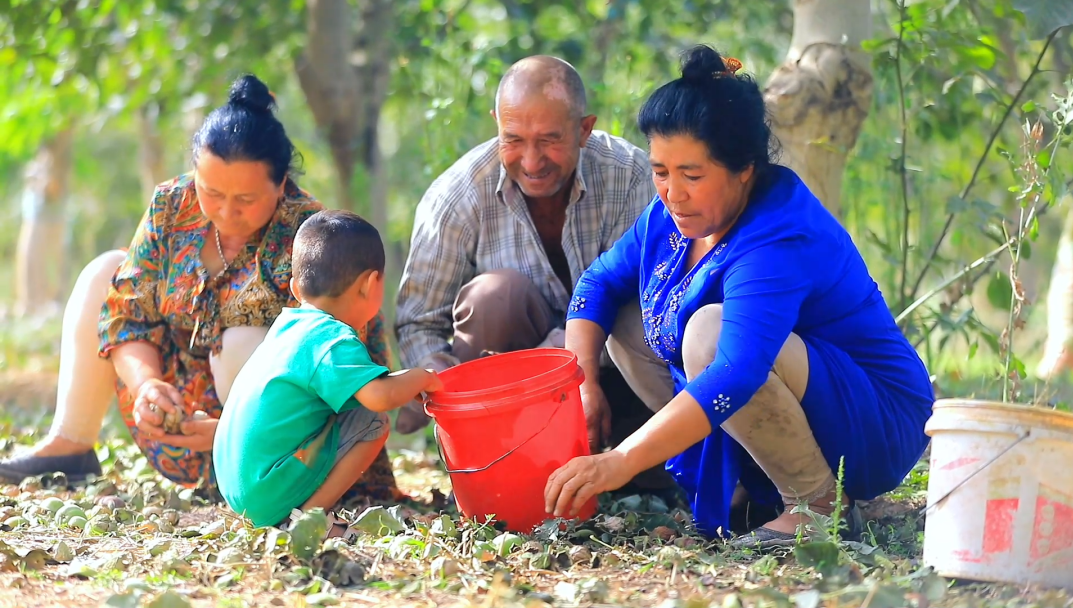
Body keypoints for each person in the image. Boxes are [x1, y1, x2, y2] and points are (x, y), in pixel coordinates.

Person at [542, 45, 934, 549]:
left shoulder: (777, 234)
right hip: (781, 394)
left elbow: (736, 372)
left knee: (710, 333)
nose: (673, 192)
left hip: (872, 418)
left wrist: (621, 460)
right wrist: (583, 385)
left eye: (692, 175)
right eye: (660, 171)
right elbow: (597, 284)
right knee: (623, 315)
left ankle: (815, 505)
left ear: (744, 168)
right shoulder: (670, 217)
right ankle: (745, 483)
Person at [0, 75, 403, 502]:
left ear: (282, 184)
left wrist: (234, 431)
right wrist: (147, 386)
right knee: (106, 271)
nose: (226, 212)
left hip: (282, 437)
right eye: (211, 191)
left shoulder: (311, 235)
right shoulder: (172, 203)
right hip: (183, 420)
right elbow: (128, 311)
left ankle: (256, 476)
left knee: (243, 342)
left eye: (245, 199)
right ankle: (71, 444)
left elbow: (335, 360)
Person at [393, 56, 677, 493]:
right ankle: (495, 469)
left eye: (549, 140)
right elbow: (417, 322)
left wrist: (569, 367)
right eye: (514, 140)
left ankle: (655, 462)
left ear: (584, 130)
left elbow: (650, 303)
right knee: (495, 297)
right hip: (506, 402)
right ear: (496, 125)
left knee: (629, 315)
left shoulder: (632, 178)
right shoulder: (457, 197)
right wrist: (442, 381)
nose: (531, 161)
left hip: (620, 385)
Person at [214, 210, 443, 529]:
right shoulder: (333, 338)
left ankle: (297, 513)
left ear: (295, 288)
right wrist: (424, 377)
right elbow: (379, 398)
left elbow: (373, 387)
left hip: (238, 490)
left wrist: (405, 383)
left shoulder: (290, 327)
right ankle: (307, 519)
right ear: (370, 284)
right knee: (373, 421)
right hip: (265, 494)